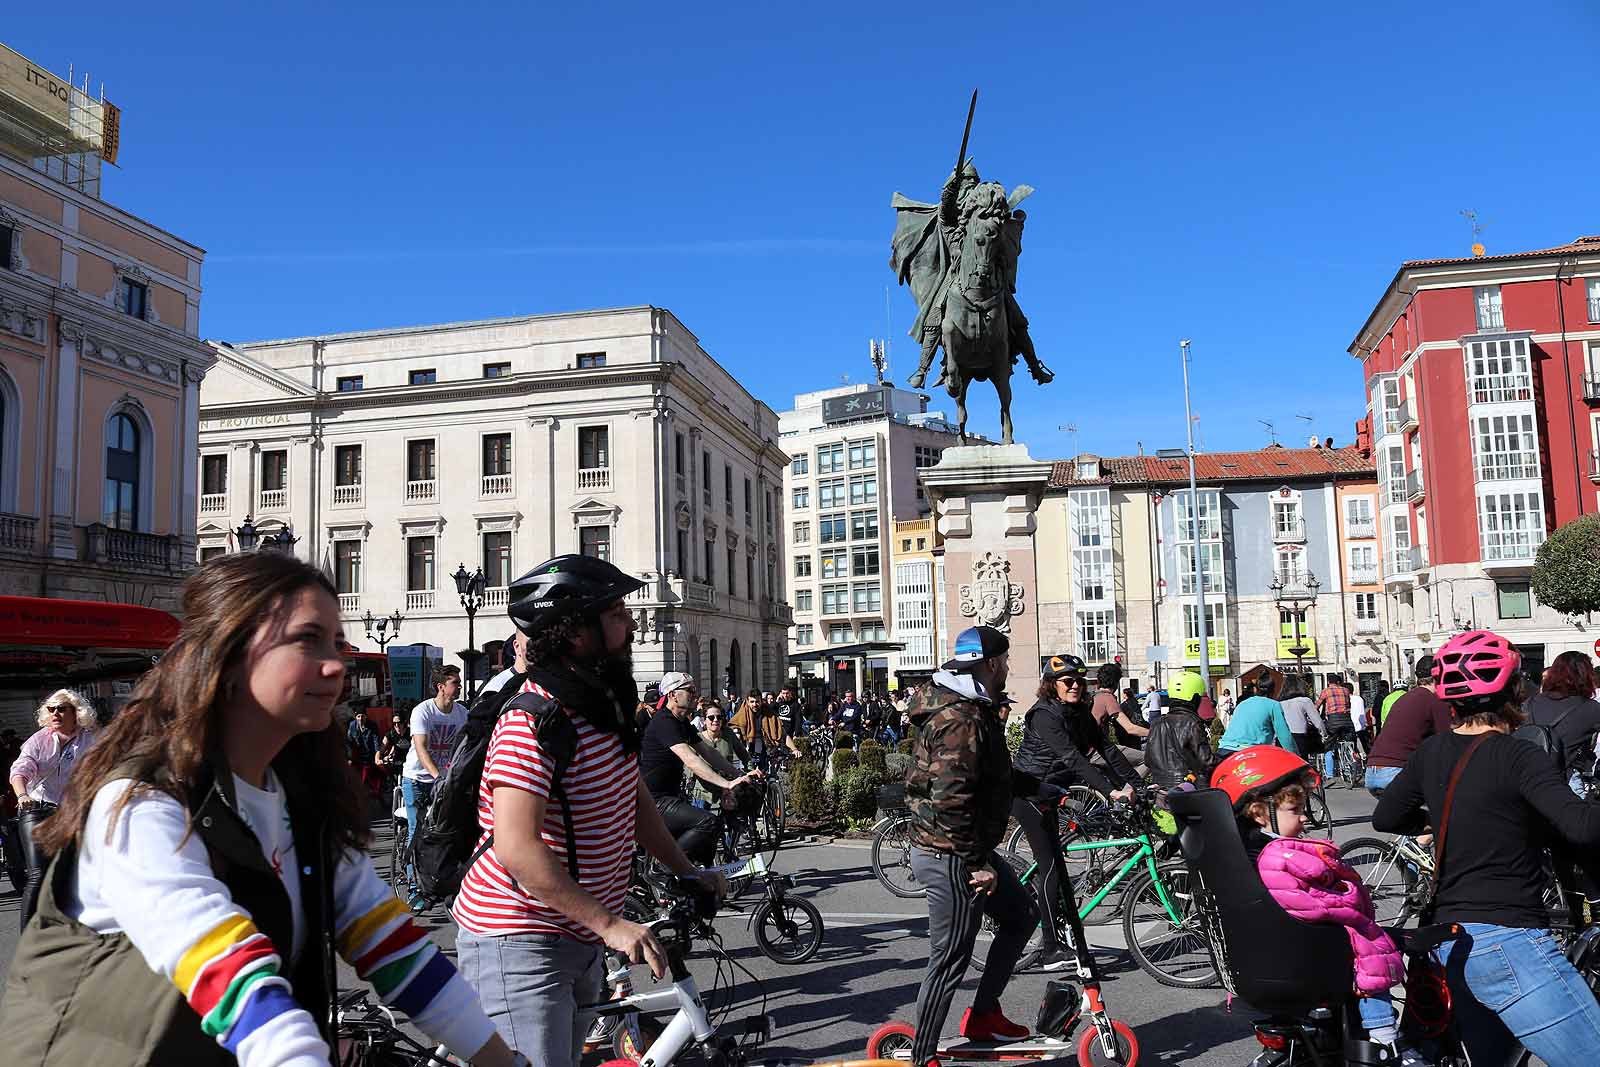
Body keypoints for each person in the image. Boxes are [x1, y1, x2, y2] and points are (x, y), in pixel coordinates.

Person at [0, 552, 523, 1067]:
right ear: (229, 656)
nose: (337, 663)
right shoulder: (142, 803)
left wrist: (505, 1062)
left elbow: (396, 950)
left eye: (337, 643)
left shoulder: (300, 796)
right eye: (307, 640)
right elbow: (234, 981)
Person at [451, 555, 721, 1067]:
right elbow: (516, 845)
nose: (630, 621)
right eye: (616, 612)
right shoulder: (533, 721)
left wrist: (687, 872)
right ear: (576, 632)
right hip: (520, 939)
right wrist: (610, 925)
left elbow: (633, 799)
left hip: (578, 935)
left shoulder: (600, 706)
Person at [1373, 629, 1600, 1066]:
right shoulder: (1520, 755)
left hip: (1449, 943)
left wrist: (1439, 821)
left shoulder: (1432, 751)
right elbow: (1583, 826)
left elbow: (1386, 818)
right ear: (1515, 690)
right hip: (1510, 943)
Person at [1211, 747, 1419, 1065]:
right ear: (1257, 812)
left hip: (1269, 960)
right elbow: (1319, 905)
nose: (1305, 817)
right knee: (1371, 950)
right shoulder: (1280, 855)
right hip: (1310, 956)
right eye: (1295, 810)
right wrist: (1350, 894)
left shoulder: (1237, 856)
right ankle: (1385, 1037)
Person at [905, 626, 1038, 1066]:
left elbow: (986, 775)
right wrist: (976, 862)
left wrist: (1045, 787)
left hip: (960, 845)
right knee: (949, 959)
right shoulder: (961, 717)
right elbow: (951, 797)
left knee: (1020, 915)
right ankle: (922, 1057)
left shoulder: (969, 707)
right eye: (1005, 660)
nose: (1007, 668)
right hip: (951, 853)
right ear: (992, 663)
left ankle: (983, 1015)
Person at [642, 673, 758, 864]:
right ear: (672, 695)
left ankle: (697, 878)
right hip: (654, 801)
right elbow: (691, 759)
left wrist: (739, 774)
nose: (695, 694)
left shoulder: (681, 722)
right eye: (689, 690)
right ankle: (667, 867)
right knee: (708, 821)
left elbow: (708, 753)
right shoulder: (664, 721)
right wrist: (727, 784)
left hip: (671, 796)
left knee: (707, 843)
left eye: (695, 690)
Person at [8, 688, 97, 926]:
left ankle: (77, 929)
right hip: (38, 808)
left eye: (61, 709)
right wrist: (23, 795)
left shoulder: (91, 740)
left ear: (76, 713)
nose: (55, 713)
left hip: (75, 811)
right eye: (51, 709)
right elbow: (20, 770)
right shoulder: (39, 740)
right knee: (38, 874)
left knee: (81, 872)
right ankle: (28, 935)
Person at [401, 664, 469, 909]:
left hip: (445, 780)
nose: (459, 686)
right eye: (455, 682)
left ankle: (444, 881)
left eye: (459, 682)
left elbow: (465, 747)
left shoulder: (462, 712)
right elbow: (421, 747)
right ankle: (412, 888)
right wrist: (437, 776)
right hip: (418, 779)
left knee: (448, 831)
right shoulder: (423, 711)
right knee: (416, 832)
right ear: (441, 686)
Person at [1364, 656, 1449, 797]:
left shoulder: (1404, 698)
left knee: (1407, 817)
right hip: (1395, 771)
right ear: (1438, 676)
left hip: (1372, 772)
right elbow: (1448, 741)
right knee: (1444, 806)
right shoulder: (1434, 700)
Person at [1524, 650, 1600, 795]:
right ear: (1586, 676)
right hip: (1563, 784)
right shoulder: (1590, 708)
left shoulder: (1530, 703)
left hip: (1527, 781)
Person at [1145, 670, 1216, 793]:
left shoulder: (1156, 723)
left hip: (1160, 789)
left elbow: (1148, 759)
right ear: (1194, 699)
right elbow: (1206, 761)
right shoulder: (1192, 723)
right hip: (1188, 788)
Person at [1217, 674, 1298, 754]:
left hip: (1224, 749)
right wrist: (1297, 757)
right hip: (1249, 752)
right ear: (1273, 690)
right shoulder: (1273, 705)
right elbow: (1284, 736)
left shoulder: (1242, 704)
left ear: (1256, 689)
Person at [1096, 663, 1147, 773]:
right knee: (1148, 759)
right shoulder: (1108, 698)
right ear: (1116, 682)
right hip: (1098, 750)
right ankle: (1133, 788)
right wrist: (1157, 732)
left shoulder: (1095, 696)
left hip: (1089, 748)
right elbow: (1130, 728)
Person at [1314, 673, 1356, 779]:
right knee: (1347, 742)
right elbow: (1348, 705)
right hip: (1347, 720)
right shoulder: (1346, 690)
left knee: (1328, 746)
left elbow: (1317, 706)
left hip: (1333, 721)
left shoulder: (1326, 691)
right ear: (1338, 682)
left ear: (1328, 682)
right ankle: (1349, 762)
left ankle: (1329, 774)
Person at [1278, 675, 1325, 758]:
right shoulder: (1305, 701)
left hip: (1282, 738)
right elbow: (1318, 722)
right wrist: (1324, 734)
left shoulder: (1279, 703)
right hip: (1299, 737)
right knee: (1301, 763)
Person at [345, 705, 384, 801]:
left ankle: (379, 793)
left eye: (362, 716)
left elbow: (376, 742)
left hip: (371, 754)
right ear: (355, 717)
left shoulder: (372, 725)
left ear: (366, 716)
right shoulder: (352, 726)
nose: (360, 718)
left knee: (377, 774)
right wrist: (349, 758)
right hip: (358, 755)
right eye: (358, 716)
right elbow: (349, 742)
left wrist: (377, 756)